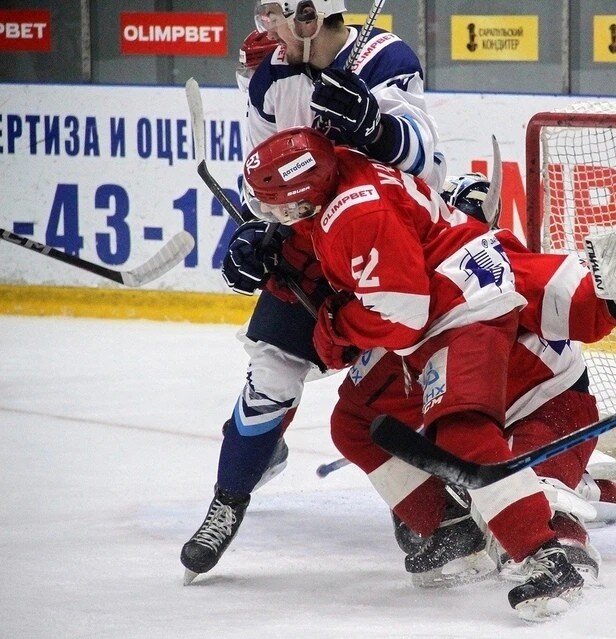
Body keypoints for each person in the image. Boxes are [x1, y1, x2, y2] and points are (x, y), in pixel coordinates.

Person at [241, 126, 588, 619]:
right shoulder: (337, 179)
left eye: (279, 208)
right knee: (355, 423)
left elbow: (402, 316)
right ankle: (451, 527)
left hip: (473, 322)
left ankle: (546, 554)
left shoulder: (360, 214)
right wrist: (279, 261)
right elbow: (341, 260)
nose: (274, 215)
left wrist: (337, 326)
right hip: (433, 317)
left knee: (463, 432)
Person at [180, 0, 447, 583]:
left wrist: (377, 129)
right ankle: (228, 500)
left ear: (310, 17)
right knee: (271, 376)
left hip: (385, 249)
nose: (266, 28)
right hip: (310, 245)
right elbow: (262, 181)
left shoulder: (383, 58)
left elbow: (430, 167)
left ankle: (426, 504)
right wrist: (256, 235)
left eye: (277, 16)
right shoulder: (270, 77)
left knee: (397, 389)